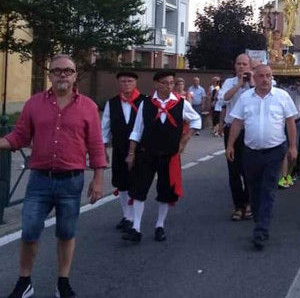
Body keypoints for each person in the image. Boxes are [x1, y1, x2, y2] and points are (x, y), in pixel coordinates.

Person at [0, 54, 105, 298]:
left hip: (71, 180)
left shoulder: (88, 106)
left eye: (68, 71)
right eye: (57, 71)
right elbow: (19, 137)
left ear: (75, 75)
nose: (62, 75)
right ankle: (25, 281)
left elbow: (96, 145)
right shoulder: (34, 104)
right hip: (39, 181)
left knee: (66, 232)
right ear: (50, 75)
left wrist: (98, 180)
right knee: (29, 232)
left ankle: (63, 282)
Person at [122, 70, 202, 243]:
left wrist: (184, 140)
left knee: (166, 191)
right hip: (146, 152)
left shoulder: (180, 103)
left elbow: (197, 120)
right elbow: (137, 130)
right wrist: (131, 153)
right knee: (139, 189)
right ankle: (136, 227)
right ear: (157, 84)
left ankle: (160, 225)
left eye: (172, 83)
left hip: (170, 155)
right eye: (165, 83)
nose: (169, 86)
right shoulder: (146, 103)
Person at [226, 65, 298, 249]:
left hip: (275, 151)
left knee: (268, 189)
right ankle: (259, 219)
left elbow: (290, 122)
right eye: (261, 76)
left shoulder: (282, 96)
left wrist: (292, 146)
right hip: (251, 151)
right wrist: (230, 144)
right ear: (255, 78)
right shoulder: (245, 98)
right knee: (254, 188)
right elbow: (237, 122)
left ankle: (261, 229)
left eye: (268, 76)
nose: (265, 79)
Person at [101, 71, 149, 232]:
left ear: (135, 83)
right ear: (118, 84)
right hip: (120, 148)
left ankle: (136, 220)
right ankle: (126, 216)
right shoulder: (112, 103)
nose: (126, 84)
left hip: (140, 150)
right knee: (121, 183)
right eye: (123, 81)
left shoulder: (145, 101)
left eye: (129, 81)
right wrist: (103, 148)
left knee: (137, 182)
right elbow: (105, 127)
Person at [218, 54, 254, 221]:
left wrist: (250, 82)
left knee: (248, 169)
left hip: (250, 131)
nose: (241, 67)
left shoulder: (255, 82)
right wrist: (239, 83)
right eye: (239, 64)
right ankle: (238, 205)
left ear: (250, 66)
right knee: (233, 170)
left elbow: (259, 97)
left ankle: (248, 203)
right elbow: (224, 99)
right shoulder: (228, 83)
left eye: (244, 64)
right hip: (232, 129)